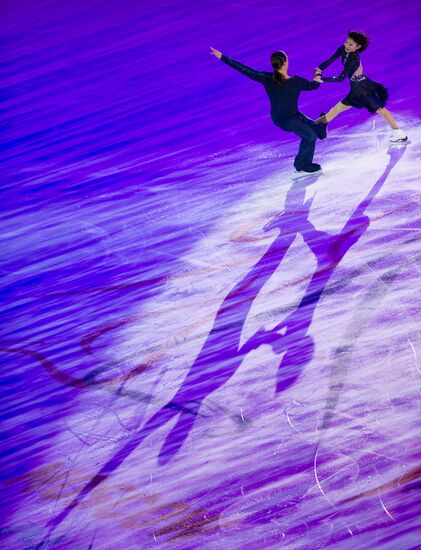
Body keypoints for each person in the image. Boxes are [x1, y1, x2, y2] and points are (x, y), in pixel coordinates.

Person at [210, 47, 327, 173]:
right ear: (285, 62)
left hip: (280, 118)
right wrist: (317, 77)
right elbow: (313, 86)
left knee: (315, 129)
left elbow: (244, 69)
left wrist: (222, 57)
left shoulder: (266, 78)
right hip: (290, 119)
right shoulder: (295, 81)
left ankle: (320, 130)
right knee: (310, 136)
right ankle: (302, 165)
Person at [313, 31, 408, 142]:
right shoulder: (343, 49)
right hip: (355, 88)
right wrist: (319, 69)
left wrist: (321, 79)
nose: (347, 45)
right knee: (337, 108)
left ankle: (398, 132)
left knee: (381, 110)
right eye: (346, 42)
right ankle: (317, 126)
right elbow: (331, 59)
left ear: (358, 46)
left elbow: (340, 78)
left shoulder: (354, 60)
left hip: (363, 89)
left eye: (351, 44)